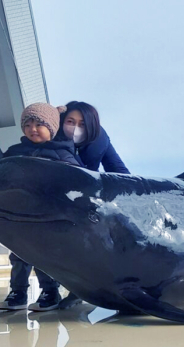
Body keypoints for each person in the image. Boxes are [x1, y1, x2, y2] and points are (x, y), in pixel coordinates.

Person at [0, 102, 81, 311]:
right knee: (18, 255)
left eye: (39, 124)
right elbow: (0, 169)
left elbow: (76, 179)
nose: (33, 129)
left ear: (52, 128)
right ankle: (18, 292)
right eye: (28, 125)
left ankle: (49, 291)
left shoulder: (62, 153)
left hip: (45, 216)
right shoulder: (16, 151)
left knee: (42, 255)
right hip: (19, 213)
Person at [55, 101, 130, 309]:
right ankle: (48, 291)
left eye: (82, 123)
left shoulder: (100, 139)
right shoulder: (52, 134)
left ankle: (78, 290)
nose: (76, 127)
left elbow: (118, 169)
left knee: (83, 247)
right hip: (54, 197)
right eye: (70, 121)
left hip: (83, 201)